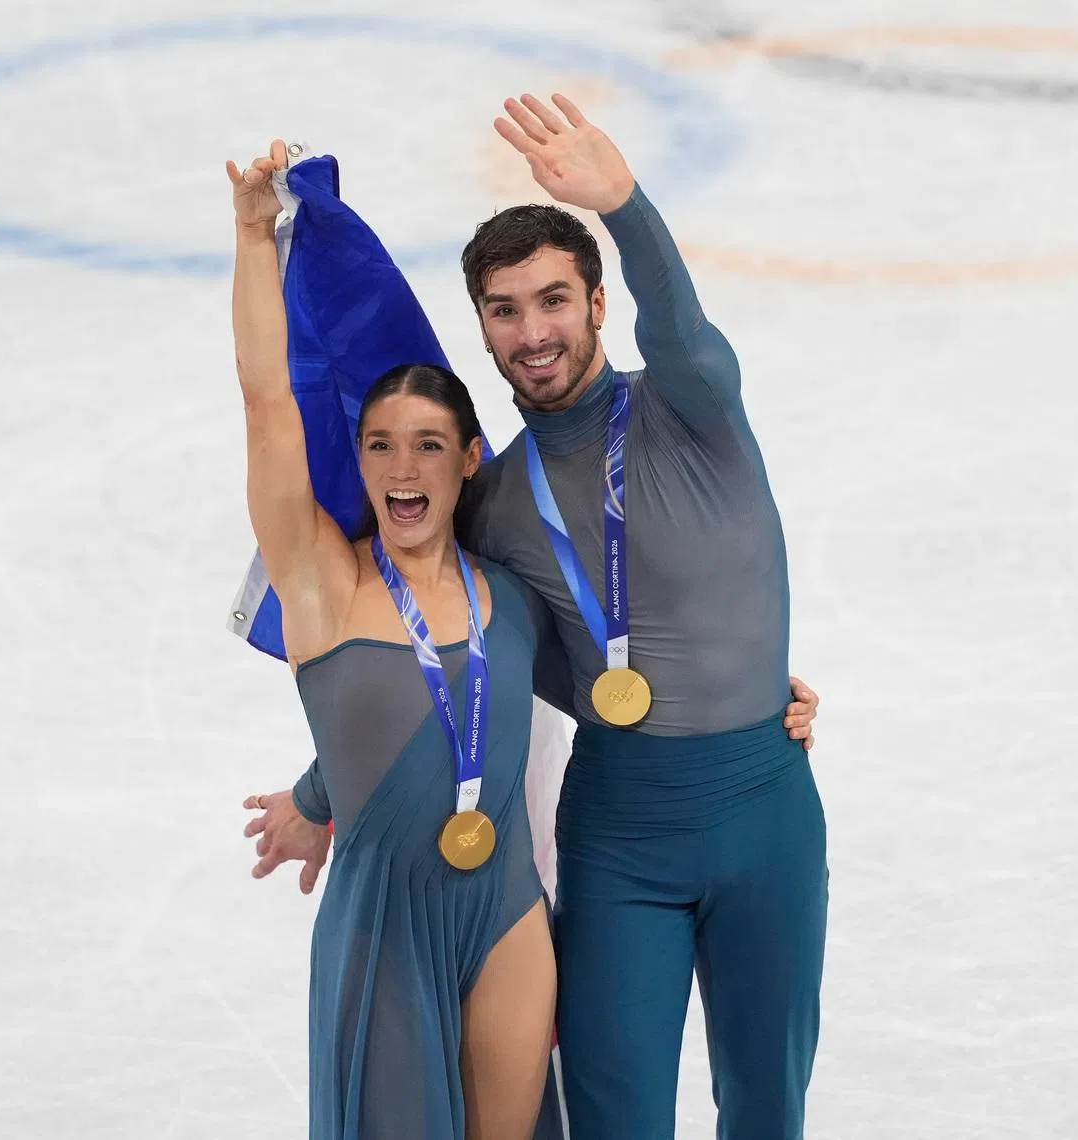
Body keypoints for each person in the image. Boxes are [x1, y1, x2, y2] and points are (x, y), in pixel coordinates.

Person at [452, 94, 830, 1139]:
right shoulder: (491, 506)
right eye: (504, 309)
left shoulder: (690, 404)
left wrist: (622, 202)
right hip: (622, 831)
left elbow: (683, 325)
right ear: (480, 324)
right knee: (615, 1118)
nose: (532, 332)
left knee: (766, 1105)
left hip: (767, 808)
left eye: (552, 300)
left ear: (597, 303)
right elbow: (442, 637)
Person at [226, 141, 567, 1140]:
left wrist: (770, 695)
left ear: (469, 460)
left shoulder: (514, 593)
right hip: (383, 928)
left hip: (507, 914)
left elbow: (607, 679)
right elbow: (268, 408)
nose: (403, 467)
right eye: (379, 444)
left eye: (428, 444)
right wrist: (254, 237)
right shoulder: (323, 587)